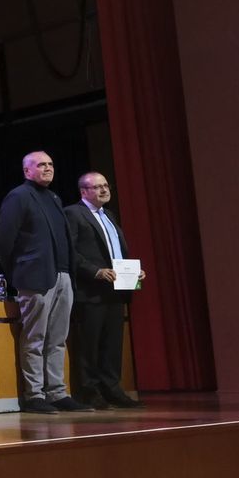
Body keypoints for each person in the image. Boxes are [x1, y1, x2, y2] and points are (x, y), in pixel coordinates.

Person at [0, 151, 92, 414]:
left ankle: (57, 392)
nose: (47, 168)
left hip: (62, 276)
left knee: (58, 338)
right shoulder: (19, 196)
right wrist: (17, 273)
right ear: (27, 171)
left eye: (50, 164)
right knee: (35, 337)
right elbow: (4, 240)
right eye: (41, 165)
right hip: (35, 278)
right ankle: (34, 394)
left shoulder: (54, 197)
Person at [64, 172, 147, 409]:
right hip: (91, 291)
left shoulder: (109, 215)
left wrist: (134, 272)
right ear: (84, 192)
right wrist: (95, 271)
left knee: (112, 344)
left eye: (105, 185)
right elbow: (71, 252)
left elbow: (117, 252)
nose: (103, 190)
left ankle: (112, 389)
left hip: (115, 290)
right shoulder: (74, 213)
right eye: (97, 187)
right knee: (90, 344)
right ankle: (89, 392)